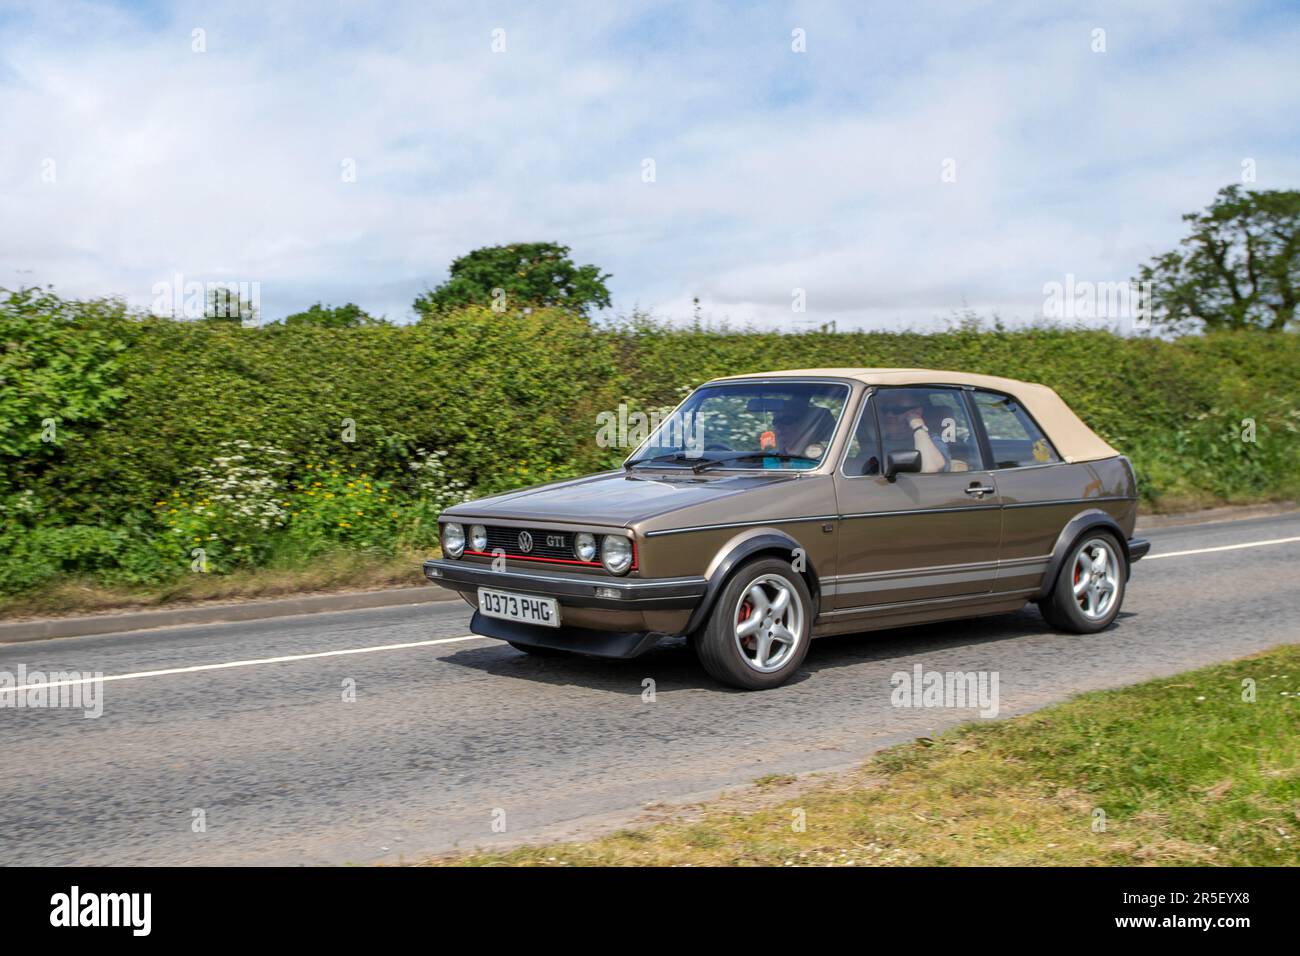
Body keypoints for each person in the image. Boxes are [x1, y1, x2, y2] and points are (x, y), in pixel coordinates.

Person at [880, 399, 949, 473]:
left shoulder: (932, 441)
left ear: (917, 412)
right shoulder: (875, 442)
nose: (889, 415)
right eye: (885, 410)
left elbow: (931, 469)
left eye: (897, 409)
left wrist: (918, 426)